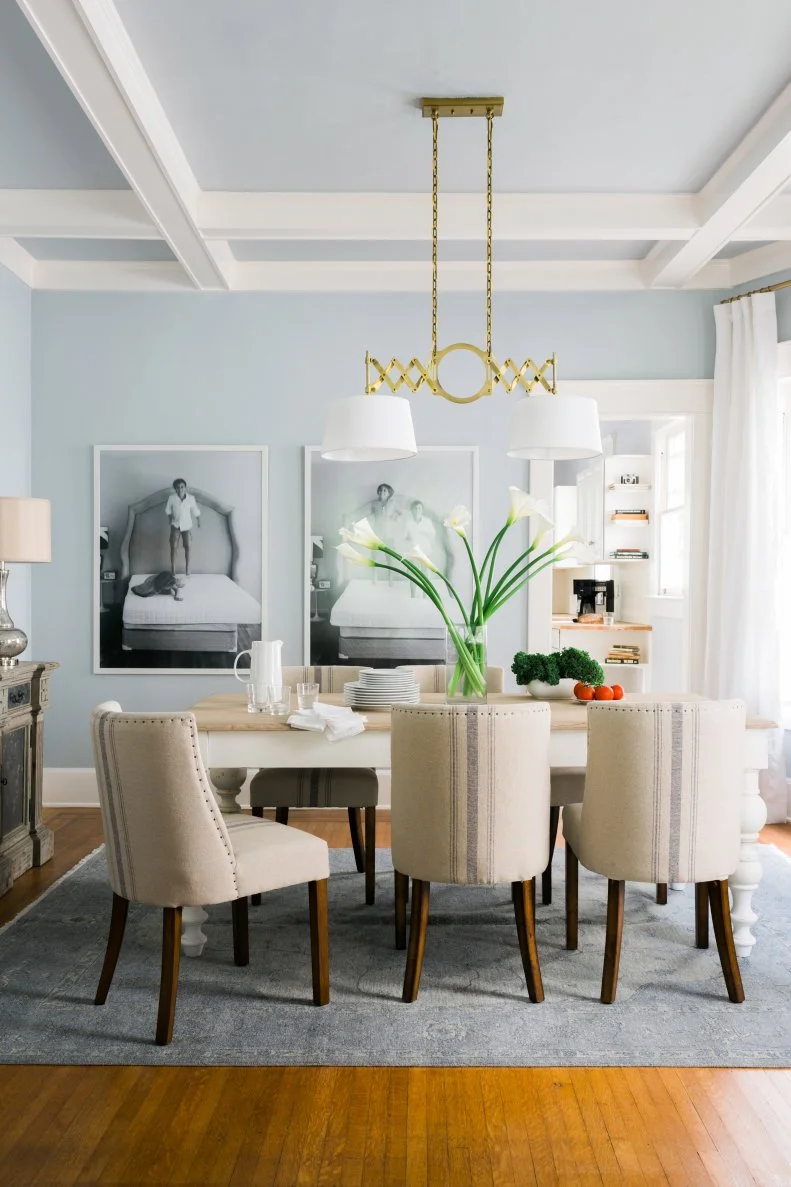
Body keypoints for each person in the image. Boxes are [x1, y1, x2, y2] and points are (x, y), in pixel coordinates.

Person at [165, 478, 200, 575]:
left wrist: (198, 520)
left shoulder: (191, 498)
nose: (180, 489)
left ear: (185, 488)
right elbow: (167, 509)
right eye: (177, 487)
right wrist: (170, 516)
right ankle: (173, 569)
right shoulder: (171, 498)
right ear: (175, 489)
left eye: (182, 487)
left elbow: (195, 510)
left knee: (188, 546)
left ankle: (188, 569)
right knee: (173, 547)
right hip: (175, 525)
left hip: (187, 526)